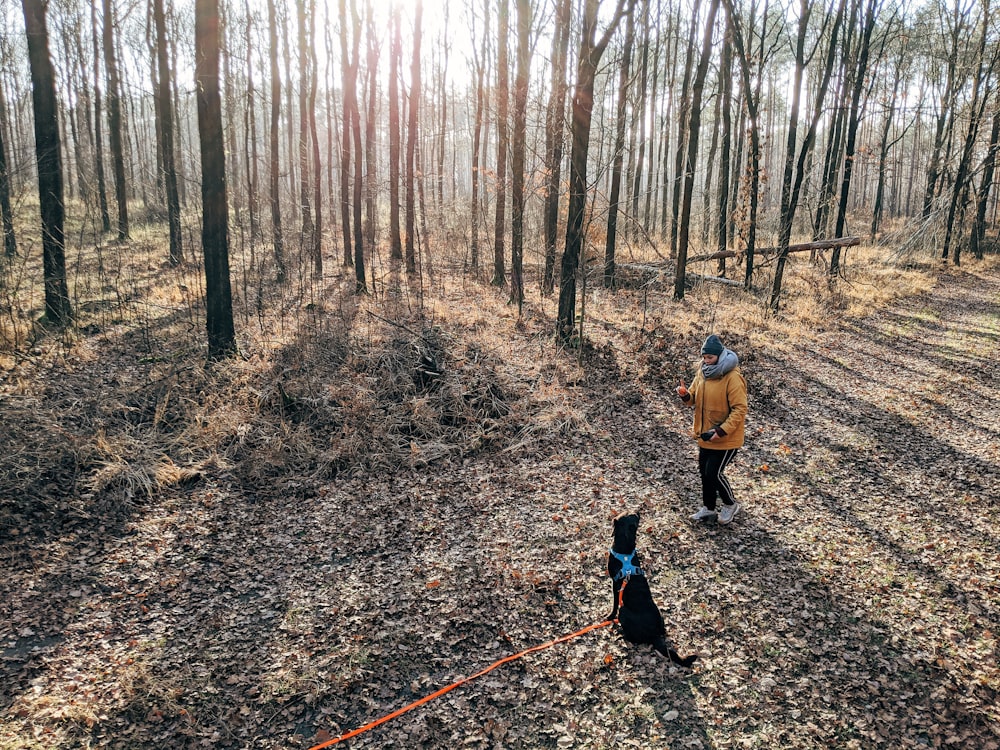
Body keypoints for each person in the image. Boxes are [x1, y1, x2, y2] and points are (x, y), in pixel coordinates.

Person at [676, 334, 747, 524]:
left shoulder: (732, 377)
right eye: (704, 357)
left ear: (719, 355)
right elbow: (693, 399)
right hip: (705, 434)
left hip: (726, 438)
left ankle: (730, 504)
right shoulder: (703, 372)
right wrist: (685, 395)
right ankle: (708, 509)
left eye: (710, 358)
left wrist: (721, 431)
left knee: (713, 473)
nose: (706, 361)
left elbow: (740, 409)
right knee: (704, 472)